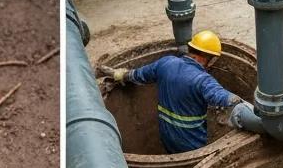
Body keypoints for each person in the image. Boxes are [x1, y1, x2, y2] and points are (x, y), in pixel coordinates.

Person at [99, 30, 240, 153]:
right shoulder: (203, 80)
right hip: (192, 143)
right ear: (208, 58)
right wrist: (246, 106)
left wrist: (120, 75)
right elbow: (225, 99)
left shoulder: (165, 63)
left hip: (167, 137)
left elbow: (138, 75)